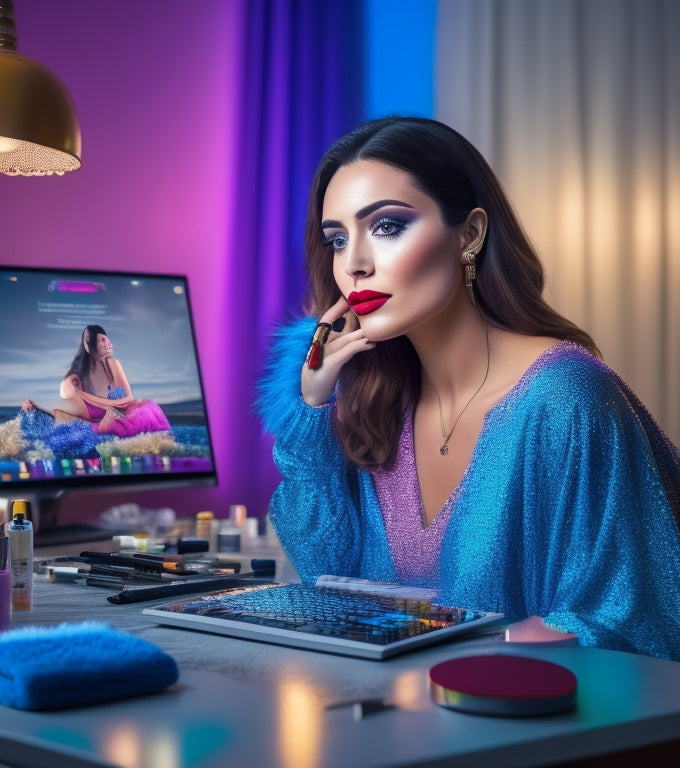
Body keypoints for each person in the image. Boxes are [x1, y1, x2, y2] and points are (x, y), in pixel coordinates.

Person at [256, 116, 680, 661]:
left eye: (385, 226)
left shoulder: (566, 399)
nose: (354, 265)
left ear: (470, 234)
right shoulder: (375, 404)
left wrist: (462, 657)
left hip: (525, 736)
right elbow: (326, 576)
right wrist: (312, 410)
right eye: (337, 239)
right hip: (390, 731)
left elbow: (627, 623)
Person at [23, 325, 170, 438]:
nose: (109, 343)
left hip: (124, 417)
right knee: (69, 435)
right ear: (90, 345)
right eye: (103, 340)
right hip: (98, 424)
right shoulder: (75, 379)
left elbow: (129, 398)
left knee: (149, 408)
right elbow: (63, 413)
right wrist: (34, 406)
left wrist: (95, 401)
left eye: (108, 339)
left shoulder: (114, 364)